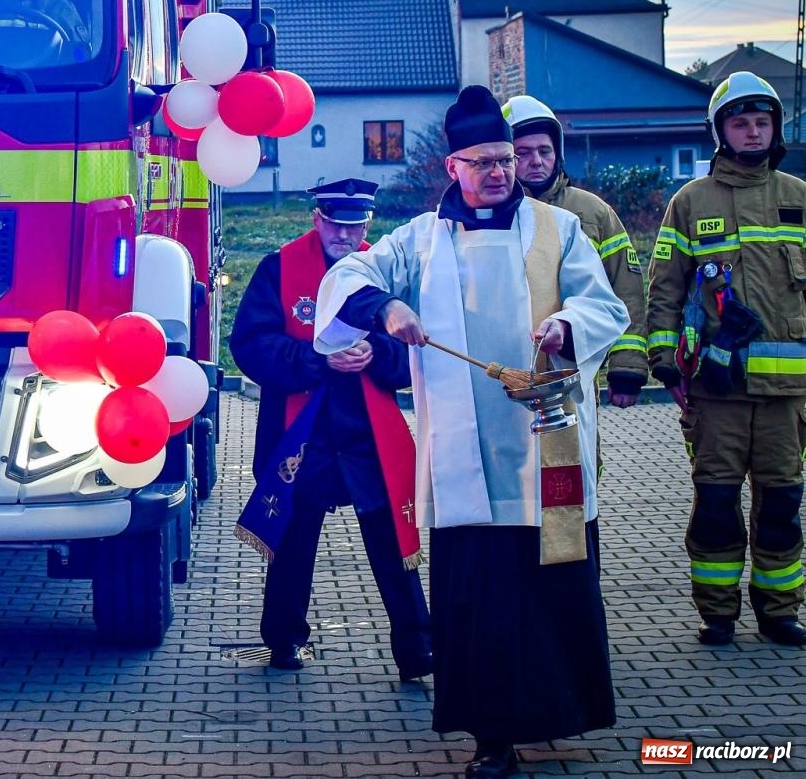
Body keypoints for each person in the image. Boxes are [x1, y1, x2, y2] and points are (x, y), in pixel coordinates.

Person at [313, 86, 627, 779]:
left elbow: (602, 303)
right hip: (465, 460)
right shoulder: (421, 239)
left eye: (506, 159)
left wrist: (569, 325)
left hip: (544, 446)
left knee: (547, 594)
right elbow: (350, 274)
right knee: (480, 602)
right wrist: (387, 304)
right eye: (482, 161)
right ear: (452, 167)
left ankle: (551, 714)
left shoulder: (555, 229)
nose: (499, 172)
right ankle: (492, 737)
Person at [230, 178, 432, 681]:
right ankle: (282, 640)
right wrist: (317, 358)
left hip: (369, 434)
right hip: (303, 431)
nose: (345, 236)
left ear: (369, 224)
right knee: (293, 543)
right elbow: (250, 344)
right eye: (336, 225)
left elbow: (417, 349)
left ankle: (417, 648)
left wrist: (377, 354)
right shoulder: (278, 268)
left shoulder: (385, 274)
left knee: (394, 543)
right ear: (316, 220)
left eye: (356, 226)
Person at [646, 70, 806, 648]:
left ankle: (778, 611)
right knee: (715, 504)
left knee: (782, 505)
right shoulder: (691, 203)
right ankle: (717, 612)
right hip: (718, 392)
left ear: (774, 129)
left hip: (789, 399)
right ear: (720, 131)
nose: (753, 131)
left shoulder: (798, 198)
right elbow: (664, 287)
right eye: (740, 122)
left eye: (762, 121)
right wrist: (663, 357)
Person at [504, 95, 648, 409]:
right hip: (506, 369)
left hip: (575, 364)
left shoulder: (592, 213)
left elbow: (626, 291)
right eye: (522, 153)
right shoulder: (494, 216)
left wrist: (627, 368)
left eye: (545, 151)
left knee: (578, 454)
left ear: (559, 153)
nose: (537, 161)